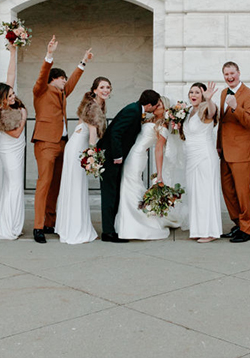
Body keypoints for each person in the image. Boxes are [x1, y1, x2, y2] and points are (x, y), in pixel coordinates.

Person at [32, 36, 92, 243]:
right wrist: (49, 55)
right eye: (62, 78)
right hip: (45, 143)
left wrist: (83, 62)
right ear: (53, 79)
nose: (66, 80)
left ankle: (50, 222)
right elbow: (41, 77)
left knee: (56, 184)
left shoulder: (62, 93)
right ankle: (38, 226)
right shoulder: (41, 90)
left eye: (66, 78)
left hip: (63, 143)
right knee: (44, 183)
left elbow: (74, 81)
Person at [99, 89, 162, 242]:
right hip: (111, 157)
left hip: (117, 157)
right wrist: (117, 155)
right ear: (149, 105)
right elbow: (115, 132)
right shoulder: (132, 111)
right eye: (156, 105)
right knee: (109, 194)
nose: (156, 109)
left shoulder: (135, 110)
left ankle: (112, 228)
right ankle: (107, 232)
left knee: (114, 193)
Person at [56, 76, 109, 245]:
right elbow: (92, 134)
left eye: (108, 87)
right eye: (102, 87)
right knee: (76, 186)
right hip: (79, 147)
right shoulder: (93, 106)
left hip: (80, 145)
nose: (106, 90)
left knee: (77, 186)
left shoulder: (98, 104)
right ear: (95, 90)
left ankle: (71, 226)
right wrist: (93, 156)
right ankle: (74, 230)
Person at [0, 45, 28, 241]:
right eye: (9, 96)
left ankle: (13, 224)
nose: (13, 97)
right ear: (2, 99)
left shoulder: (8, 103)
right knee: (15, 185)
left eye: (12, 94)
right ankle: (9, 227)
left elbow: (10, 76)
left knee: (13, 186)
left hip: (16, 149)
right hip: (10, 149)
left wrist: (12, 53)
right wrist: (24, 116)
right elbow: (16, 134)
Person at [116, 97, 171, 241]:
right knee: (127, 185)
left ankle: (140, 223)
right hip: (131, 153)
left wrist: (159, 174)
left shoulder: (163, 126)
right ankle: (126, 222)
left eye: (159, 105)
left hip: (137, 156)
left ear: (165, 109)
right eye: (155, 104)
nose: (155, 107)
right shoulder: (147, 120)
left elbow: (158, 150)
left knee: (131, 185)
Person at [218, 61, 250, 243]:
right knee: (227, 190)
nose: (229, 77)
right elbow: (222, 122)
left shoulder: (249, 95)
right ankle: (237, 223)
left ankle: (247, 228)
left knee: (242, 191)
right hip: (225, 150)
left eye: (232, 73)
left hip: (242, 151)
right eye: (226, 74)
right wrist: (218, 144)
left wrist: (235, 106)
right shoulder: (223, 93)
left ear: (239, 73)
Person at [183, 82, 221, 243]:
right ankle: (198, 229)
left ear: (203, 94)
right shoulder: (187, 112)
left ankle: (210, 231)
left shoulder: (207, 108)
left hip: (204, 156)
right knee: (195, 194)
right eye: (191, 92)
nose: (193, 95)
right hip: (191, 157)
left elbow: (212, 113)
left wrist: (209, 99)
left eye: (197, 92)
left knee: (205, 194)